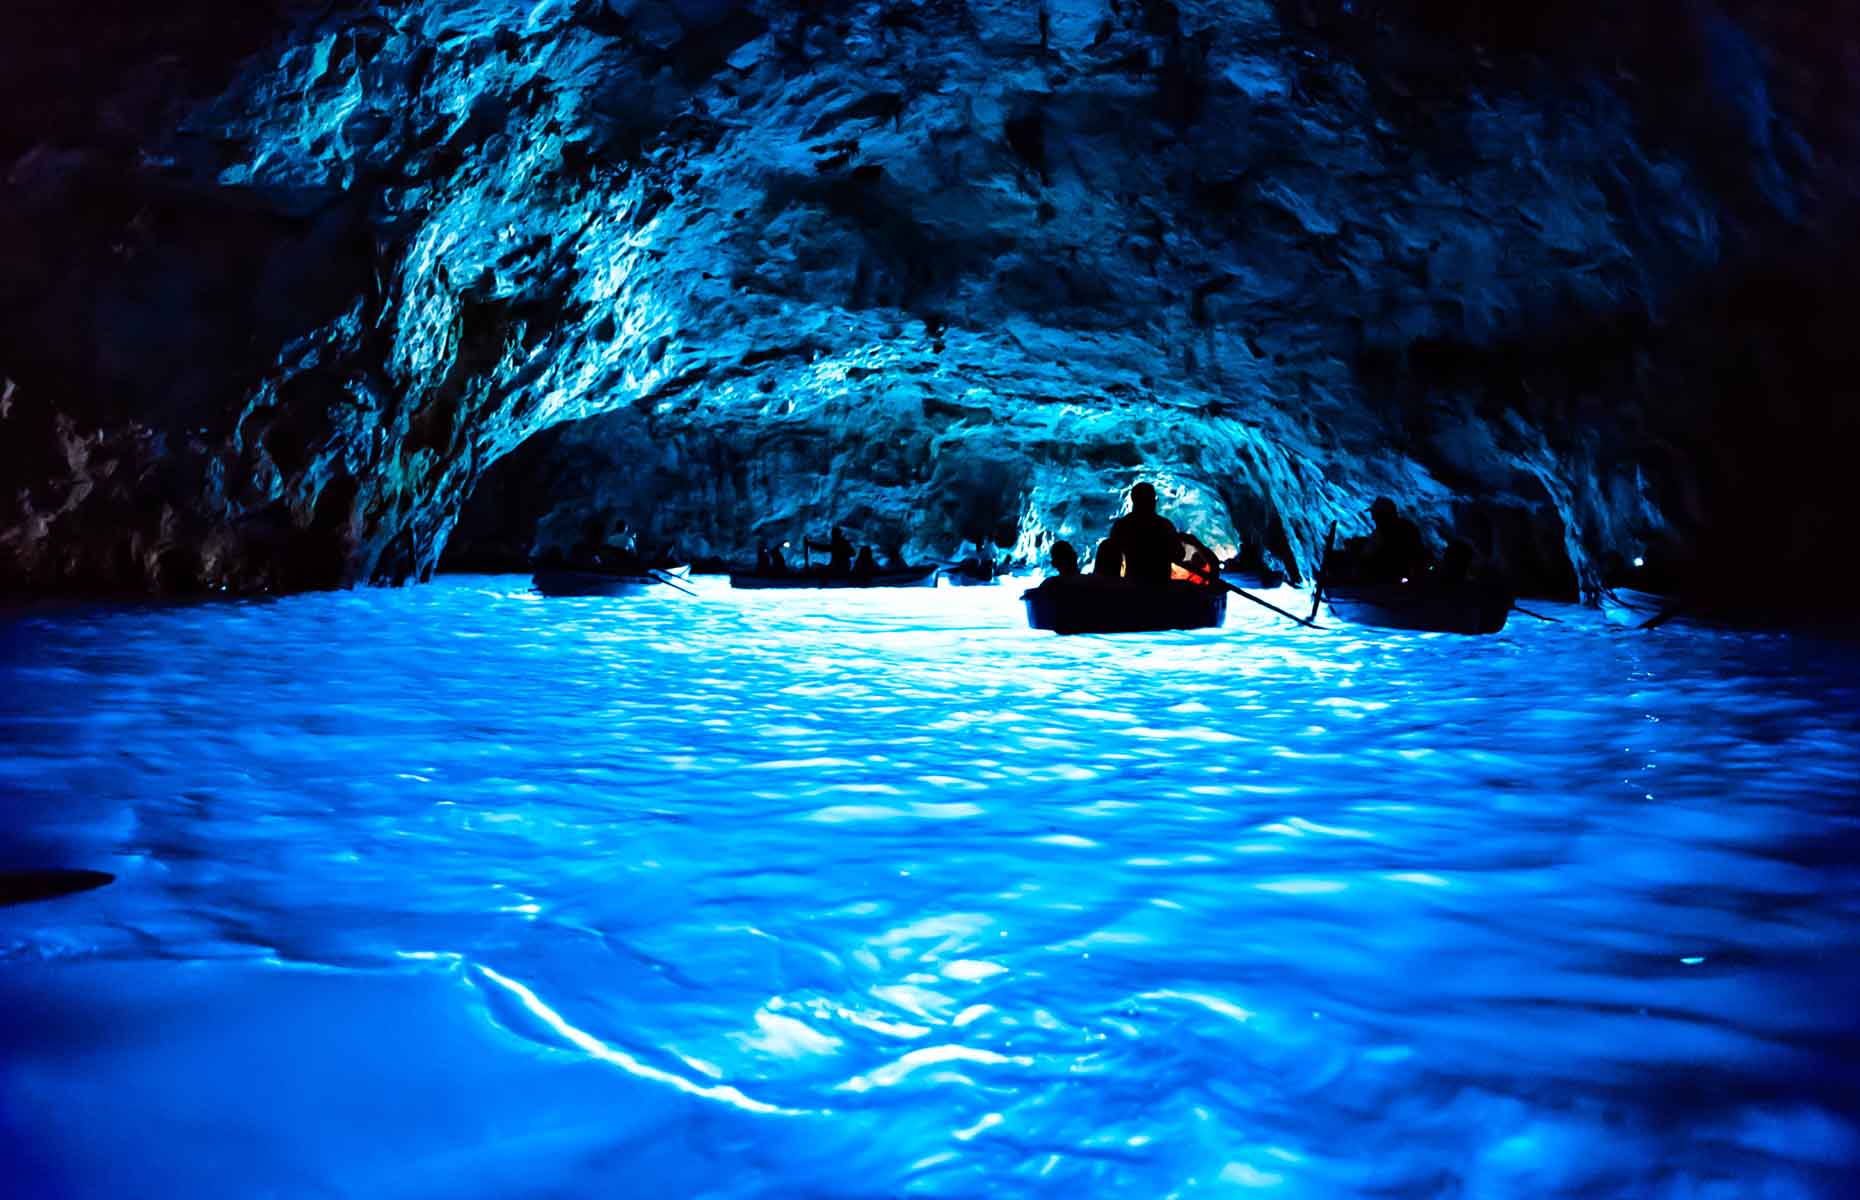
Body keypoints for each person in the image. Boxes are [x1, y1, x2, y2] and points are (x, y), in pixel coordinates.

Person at [1099, 482, 1179, 583]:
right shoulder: (1164, 525)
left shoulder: (1122, 525)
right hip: (1160, 587)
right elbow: (1178, 554)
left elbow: (1111, 557)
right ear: (1152, 500)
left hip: (1132, 585)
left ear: (1133, 500)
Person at [1362, 496, 1428, 583]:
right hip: (1409, 577)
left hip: (1388, 579)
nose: (1372, 518)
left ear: (1381, 514)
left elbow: (1366, 554)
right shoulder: (1408, 526)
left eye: (1374, 514)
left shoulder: (1383, 531)